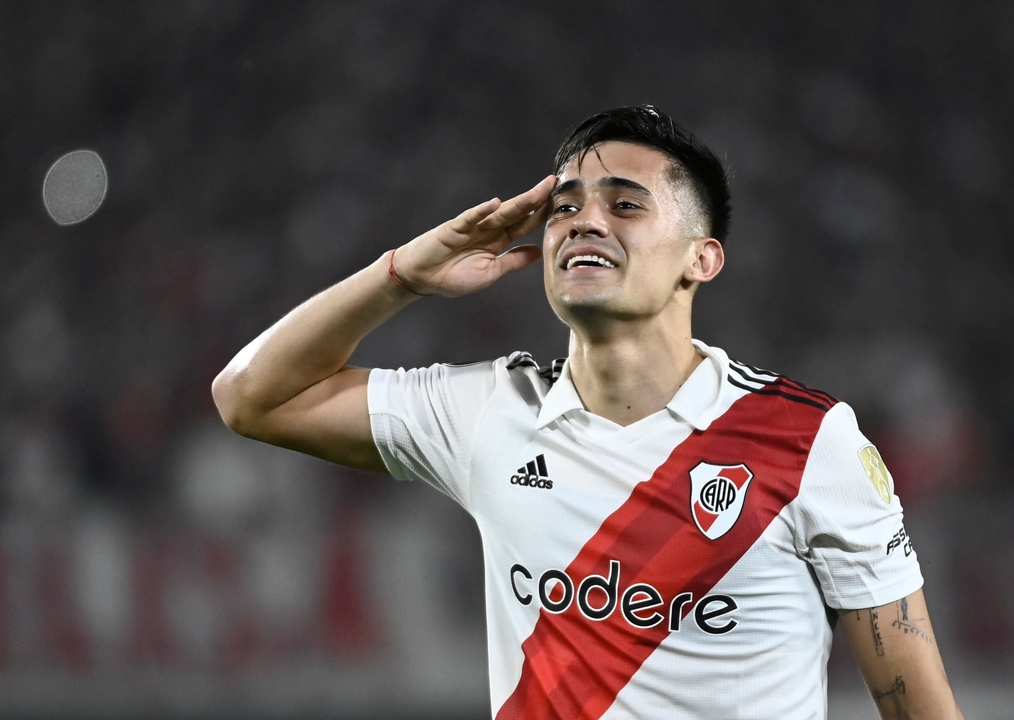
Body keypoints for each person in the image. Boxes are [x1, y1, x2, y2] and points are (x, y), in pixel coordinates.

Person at [212, 105, 964, 720]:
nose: (582, 221)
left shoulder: (810, 442)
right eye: (565, 206)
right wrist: (404, 274)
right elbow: (252, 396)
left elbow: (916, 705)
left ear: (700, 259)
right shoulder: (487, 412)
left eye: (625, 205)